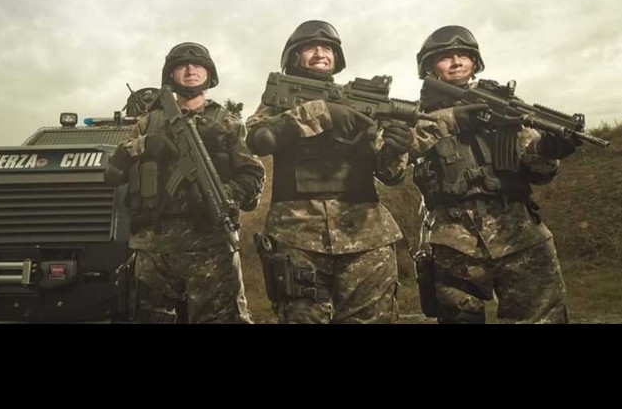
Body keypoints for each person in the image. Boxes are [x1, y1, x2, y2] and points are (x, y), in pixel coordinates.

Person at [245, 20, 412, 323]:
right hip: (297, 236)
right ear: (295, 57)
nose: (320, 53)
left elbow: (390, 175)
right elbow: (258, 138)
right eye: (310, 47)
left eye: (327, 48)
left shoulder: (361, 102)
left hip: (366, 237)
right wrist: (321, 112)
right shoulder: (281, 97)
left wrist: (396, 148)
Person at [410, 25, 578, 324]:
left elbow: (538, 169)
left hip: (520, 236)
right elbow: (397, 154)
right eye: (446, 57)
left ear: (475, 62)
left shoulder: (501, 106)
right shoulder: (417, 115)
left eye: (463, 55)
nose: (456, 62)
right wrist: (453, 119)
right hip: (453, 243)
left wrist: (549, 151)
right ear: (429, 68)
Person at [104, 42, 265, 324]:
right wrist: (145, 145)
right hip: (154, 248)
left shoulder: (228, 124)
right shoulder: (147, 123)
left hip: (211, 246)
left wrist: (226, 195)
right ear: (171, 75)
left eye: (197, 65)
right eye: (182, 66)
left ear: (209, 74)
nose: (191, 70)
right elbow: (113, 172)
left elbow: (253, 177)